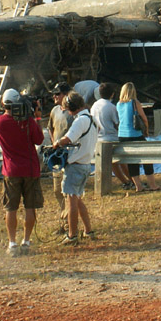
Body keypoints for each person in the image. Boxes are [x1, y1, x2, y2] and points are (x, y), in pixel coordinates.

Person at [0, 89, 44, 256]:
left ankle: (12, 243)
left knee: (11, 208)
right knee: (30, 207)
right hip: (30, 168)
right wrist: (36, 116)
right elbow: (39, 140)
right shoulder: (28, 121)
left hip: (10, 170)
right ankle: (27, 241)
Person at [50, 92, 98, 245]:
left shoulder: (79, 122)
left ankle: (72, 235)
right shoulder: (91, 119)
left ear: (71, 108)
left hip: (75, 166)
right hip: (85, 164)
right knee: (77, 199)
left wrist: (56, 143)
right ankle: (88, 230)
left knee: (71, 201)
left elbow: (68, 139)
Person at [117, 82, 161, 193]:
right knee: (147, 158)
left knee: (132, 161)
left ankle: (138, 186)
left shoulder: (118, 104)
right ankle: (152, 184)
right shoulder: (135, 102)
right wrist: (146, 130)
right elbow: (144, 118)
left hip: (122, 135)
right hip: (134, 134)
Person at [90, 82, 134, 190]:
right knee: (122, 161)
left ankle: (125, 181)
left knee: (113, 163)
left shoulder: (94, 106)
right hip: (111, 137)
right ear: (112, 94)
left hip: (98, 138)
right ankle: (133, 181)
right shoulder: (111, 107)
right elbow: (117, 123)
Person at [46, 81, 73, 232]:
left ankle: (69, 224)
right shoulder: (55, 110)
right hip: (57, 155)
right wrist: (54, 143)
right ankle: (64, 221)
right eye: (54, 94)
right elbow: (50, 128)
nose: (54, 96)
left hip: (68, 155)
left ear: (66, 95)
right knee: (57, 190)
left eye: (58, 94)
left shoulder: (72, 113)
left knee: (67, 191)